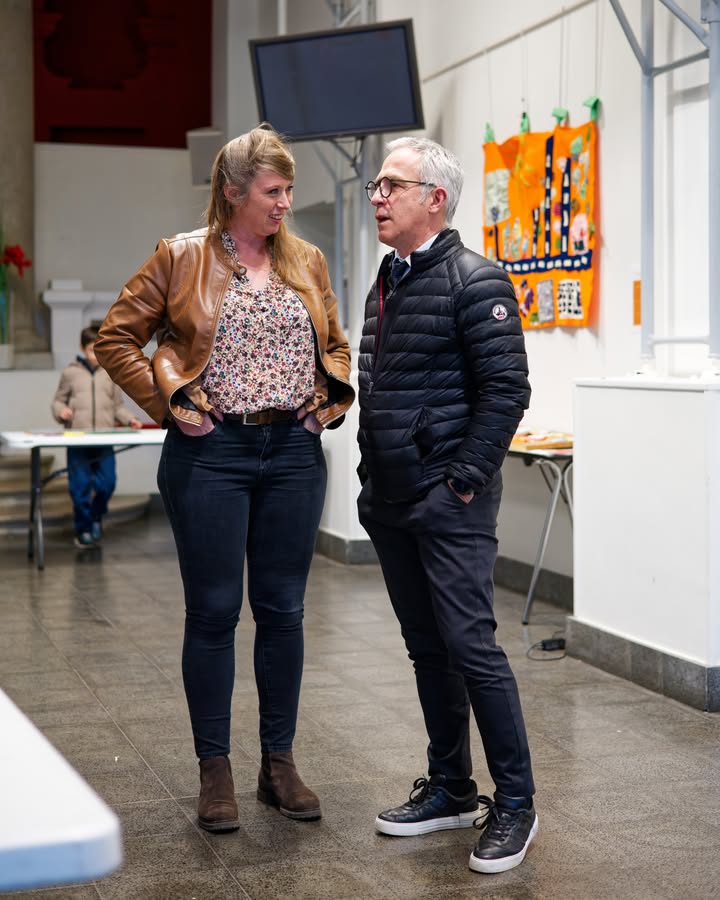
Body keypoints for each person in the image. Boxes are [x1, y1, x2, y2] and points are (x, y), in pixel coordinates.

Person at [95, 124, 354, 833]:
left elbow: (335, 345)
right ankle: (215, 771)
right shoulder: (180, 256)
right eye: (273, 191)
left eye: (289, 190)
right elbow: (116, 337)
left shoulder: (306, 260)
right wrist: (170, 405)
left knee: (284, 612)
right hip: (211, 455)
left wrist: (326, 402)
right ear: (233, 192)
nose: (285, 203)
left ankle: (279, 765)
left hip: (293, 455)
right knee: (213, 612)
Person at [356, 136, 536, 874]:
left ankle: (517, 804)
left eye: (391, 184)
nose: (376, 196)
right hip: (392, 500)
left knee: (472, 648)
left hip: (447, 502)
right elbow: (381, 382)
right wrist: (371, 478)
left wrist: (461, 482)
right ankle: (452, 789)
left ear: (434, 199)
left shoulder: (476, 278)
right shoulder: (390, 276)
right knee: (427, 649)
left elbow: (507, 390)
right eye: (376, 185)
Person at [51, 324, 142, 548]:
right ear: (82, 348)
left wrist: (130, 419)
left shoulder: (110, 373)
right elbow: (58, 401)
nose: (95, 355)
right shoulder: (70, 373)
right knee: (79, 487)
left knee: (107, 484)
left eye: (99, 349)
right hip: (77, 439)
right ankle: (83, 529)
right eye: (92, 349)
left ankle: (95, 516)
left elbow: (117, 406)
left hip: (104, 438)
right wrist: (61, 412)